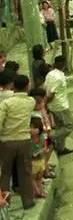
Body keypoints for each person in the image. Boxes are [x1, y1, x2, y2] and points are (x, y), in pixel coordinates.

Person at [0, 74, 36, 210]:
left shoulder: (6, 104)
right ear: (27, 86)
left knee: (5, 173)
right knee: (25, 172)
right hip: (24, 140)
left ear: (13, 86)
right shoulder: (31, 101)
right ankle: (28, 201)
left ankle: (5, 202)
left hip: (7, 142)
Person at [44, 56, 73, 156]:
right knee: (69, 125)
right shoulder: (58, 77)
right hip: (60, 106)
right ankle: (51, 136)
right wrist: (45, 104)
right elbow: (51, 94)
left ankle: (60, 148)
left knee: (60, 126)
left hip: (54, 105)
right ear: (63, 64)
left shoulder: (51, 74)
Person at [30, 116, 47, 199]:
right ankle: (37, 191)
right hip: (31, 162)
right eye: (30, 127)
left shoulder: (42, 137)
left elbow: (45, 147)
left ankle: (40, 191)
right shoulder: (28, 139)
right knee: (32, 177)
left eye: (34, 128)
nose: (32, 130)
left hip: (40, 160)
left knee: (39, 177)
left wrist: (39, 151)